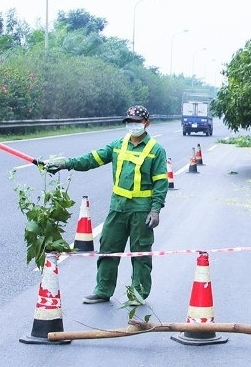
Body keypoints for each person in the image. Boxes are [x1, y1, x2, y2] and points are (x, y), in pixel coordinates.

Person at [45, 105, 168, 305]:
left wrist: (155, 209)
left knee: (140, 254)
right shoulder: (118, 145)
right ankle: (103, 290)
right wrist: (64, 163)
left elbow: (161, 182)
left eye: (137, 122)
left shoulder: (156, 150)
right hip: (118, 208)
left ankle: (138, 294)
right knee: (108, 248)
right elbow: (90, 160)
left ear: (147, 124)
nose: (132, 125)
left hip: (141, 210)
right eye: (129, 121)